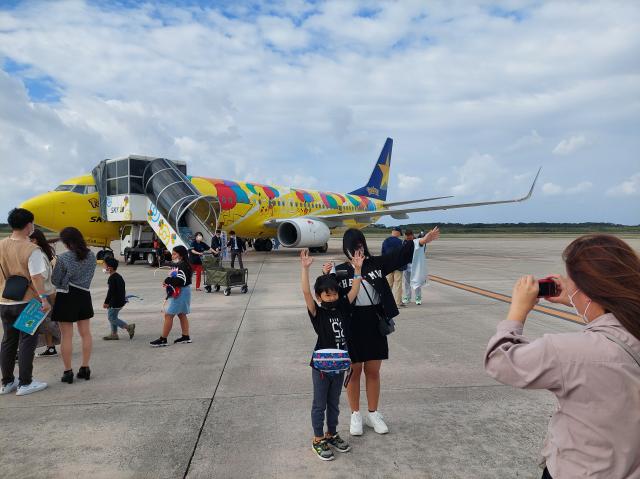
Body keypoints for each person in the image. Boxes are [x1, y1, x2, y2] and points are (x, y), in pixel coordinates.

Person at [484, 234, 640, 479]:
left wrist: (517, 310)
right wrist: (577, 300)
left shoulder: (568, 350)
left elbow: (500, 361)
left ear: (587, 292)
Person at [326, 227, 439, 436]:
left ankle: (373, 413)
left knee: (373, 371)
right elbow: (327, 295)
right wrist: (326, 275)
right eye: (353, 247)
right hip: (351, 324)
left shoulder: (376, 264)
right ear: (346, 249)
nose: (358, 250)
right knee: (353, 371)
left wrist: (422, 241)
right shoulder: (339, 270)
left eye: (360, 245)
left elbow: (400, 255)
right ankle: (355, 415)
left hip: (374, 322)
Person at [301, 248, 364, 461]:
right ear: (320, 297)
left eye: (335, 293)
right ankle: (318, 438)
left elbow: (354, 290)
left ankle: (332, 433)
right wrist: (305, 269)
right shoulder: (317, 312)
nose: (332, 297)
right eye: (327, 295)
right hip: (321, 367)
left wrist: (358, 270)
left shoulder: (342, 308)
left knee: (334, 403)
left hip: (339, 366)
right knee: (319, 404)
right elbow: (306, 293)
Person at [0, 208, 50, 396]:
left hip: (4, 301)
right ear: (29, 225)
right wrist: (44, 299)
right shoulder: (32, 249)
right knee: (27, 341)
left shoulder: (1, 245)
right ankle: (25, 383)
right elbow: (36, 277)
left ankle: (7, 382)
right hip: (28, 303)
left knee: (8, 341)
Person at [51, 227, 96, 384]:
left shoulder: (63, 258)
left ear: (67, 242)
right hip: (84, 295)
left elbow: (55, 280)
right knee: (86, 333)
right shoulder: (91, 256)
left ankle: (68, 371)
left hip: (66, 296)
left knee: (67, 336)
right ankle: (85, 367)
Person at [150, 245, 193, 347]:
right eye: (172, 254)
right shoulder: (184, 264)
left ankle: (163, 339)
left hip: (181, 292)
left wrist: (168, 280)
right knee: (181, 314)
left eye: (174, 254)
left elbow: (180, 281)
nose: (172, 256)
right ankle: (185, 336)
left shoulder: (181, 265)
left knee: (168, 315)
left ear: (181, 255)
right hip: (184, 291)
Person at [30, 229, 61, 357]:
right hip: (48, 292)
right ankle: (51, 347)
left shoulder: (38, 256)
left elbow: (41, 277)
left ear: (35, 240)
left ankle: (22, 351)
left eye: (29, 240)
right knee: (46, 322)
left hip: (43, 294)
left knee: (33, 323)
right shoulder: (43, 253)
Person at [402, 229, 440, 305]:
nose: (408, 238)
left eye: (409, 237)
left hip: (415, 265)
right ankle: (407, 297)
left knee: (417, 282)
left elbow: (422, 246)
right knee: (407, 282)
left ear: (412, 235)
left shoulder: (417, 241)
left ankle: (418, 297)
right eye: (406, 237)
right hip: (406, 264)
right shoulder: (404, 242)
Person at [102, 257, 135, 341]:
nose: (103, 267)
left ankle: (128, 327)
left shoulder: (112, 278)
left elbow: (110, 292)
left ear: (110, 268)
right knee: (113, 317)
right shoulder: (119, 276)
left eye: (104, 265)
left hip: (115, 302)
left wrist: (106, 302)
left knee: (111, 318)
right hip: (120, 301)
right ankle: (114, 334)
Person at [381, 226, 406, 307]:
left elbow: (383, 254)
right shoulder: (401, 242)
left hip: (388, 265)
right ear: (398, 233)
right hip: (398, 266)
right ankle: (398, 302)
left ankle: (386, 302)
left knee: (388, 285)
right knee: (398, 284)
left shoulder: (385, 241)